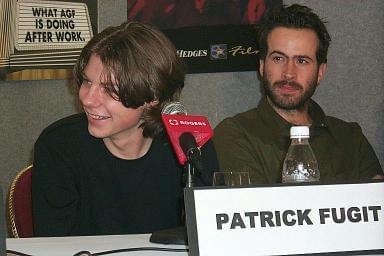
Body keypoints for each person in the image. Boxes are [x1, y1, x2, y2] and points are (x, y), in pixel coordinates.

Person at [32, 21, 218, 236]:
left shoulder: (190, 145)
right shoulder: (59, 145)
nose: (88, 99)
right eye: (87, 82)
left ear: (153, 96)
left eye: (109, 89)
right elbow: (53, 244)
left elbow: (211, 237)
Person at [213, 4, 383, 184]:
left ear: (320, 72)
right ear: (262, 66)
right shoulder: (234, 134)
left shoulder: (351, 138)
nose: (288, 73)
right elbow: (256, 209)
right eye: (278, 58)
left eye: (301, 61)